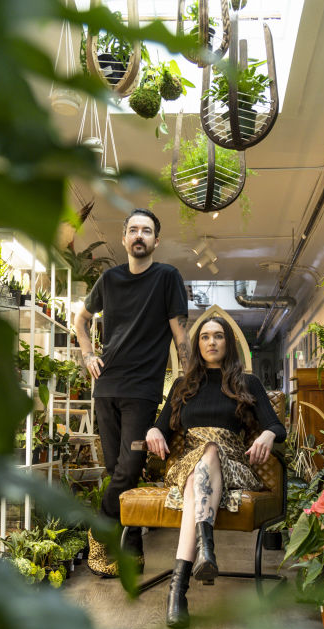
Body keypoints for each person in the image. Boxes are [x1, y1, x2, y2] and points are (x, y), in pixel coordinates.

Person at [144, 315, 286, 628]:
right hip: (189, 462)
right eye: (205, 337)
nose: (211, 342)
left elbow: (277, 425)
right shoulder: (183, 386)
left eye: (218, 336)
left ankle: (178, 593)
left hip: (232, 463)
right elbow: (161, 426)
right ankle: (205, 551)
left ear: (227, 343)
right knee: (201, 463)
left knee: (208, 458)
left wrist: (267, 434)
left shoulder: (248, 383)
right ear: (198, 344)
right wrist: (154, 431)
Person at [74, 209, 190, 574]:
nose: (140, 235)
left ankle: (101, 530)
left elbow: (180, 334)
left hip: (142, 391)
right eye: (133, 230)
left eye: (147, 230)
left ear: (156, 240)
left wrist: (191, 378)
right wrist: (88, 353)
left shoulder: (167, 278)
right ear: (124, 238)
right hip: (106, 387)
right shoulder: (108, 280)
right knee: (117, 469)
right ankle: (133, 550)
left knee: (128, 468)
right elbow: (81, 319)